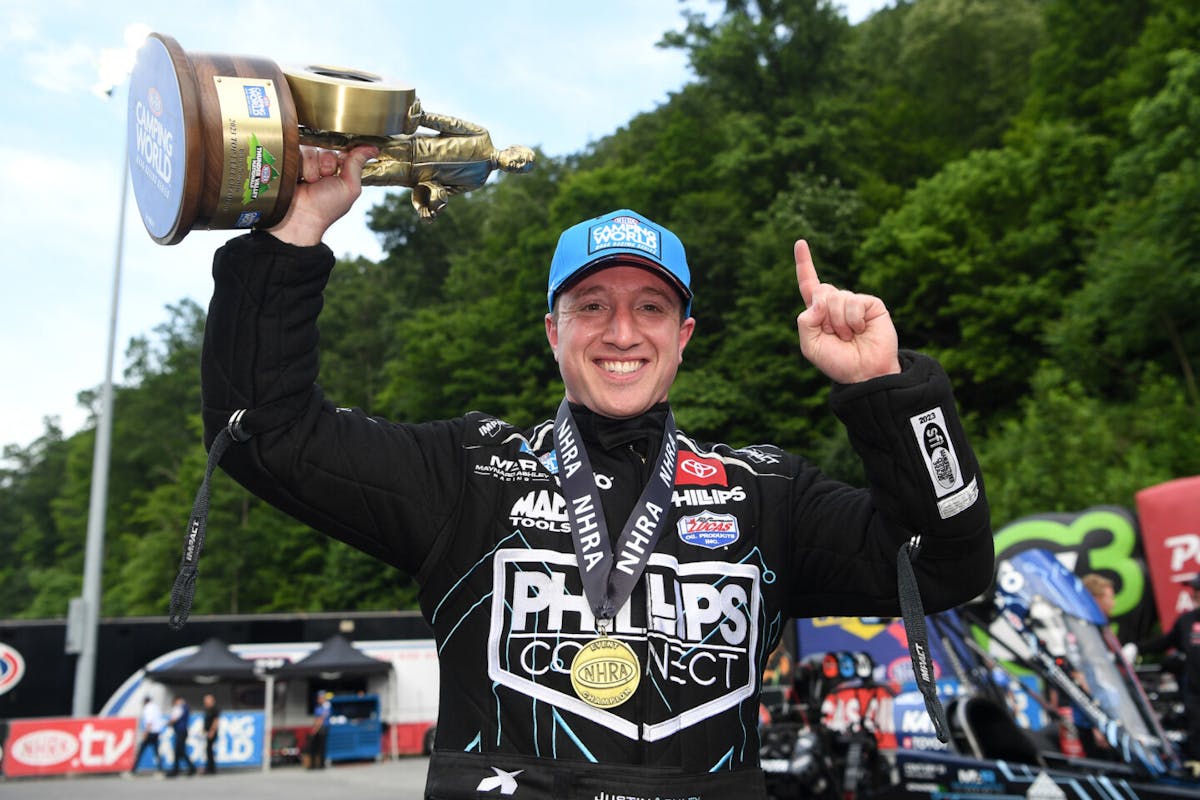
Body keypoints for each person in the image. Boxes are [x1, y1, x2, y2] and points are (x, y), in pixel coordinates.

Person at [196, 144, 993, 799]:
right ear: (553, 331)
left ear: (683, 337)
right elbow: (267, 434)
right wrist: (296, 229)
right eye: (592, 305)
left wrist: (888, 392)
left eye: (650, 307)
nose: (622, 331)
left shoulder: (765, 493)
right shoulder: (469, 475)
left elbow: (946, 562)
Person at [301, 108, 535, 221]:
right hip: (408, 146)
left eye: (521, 168)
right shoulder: (481, 136)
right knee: (349, 139)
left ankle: (299, 177)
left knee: (355, 176)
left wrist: (430, 205)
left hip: (407, 174)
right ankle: (300, 134)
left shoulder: (477, 181)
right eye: (521, 159)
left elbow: (442, 193)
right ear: (513, 149)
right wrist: (420, 117)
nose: (517, 165)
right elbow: (450, 123)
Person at [1139, 575, 1200, 765]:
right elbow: (1164, 642)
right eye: (1194, 591)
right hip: (1195, 694)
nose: (1195, 595)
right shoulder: (1187, 621)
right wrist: (1135, 648)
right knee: (1196, 733)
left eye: (1197, 590)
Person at [131, 695, 166, 774]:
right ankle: (161, 770)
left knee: (140, 751)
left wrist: (146, 733)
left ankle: (133, 770)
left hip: (150, 732)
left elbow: (149, 722)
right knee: (156, 752)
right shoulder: (156, 707)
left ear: (145, 702)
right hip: (156, 732)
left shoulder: (148, 708)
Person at [167, 696, 197, 777]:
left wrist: (169, 723)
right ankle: (176, 770)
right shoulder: (186, 707)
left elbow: (174, 719)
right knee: (178, 752)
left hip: (180, 731)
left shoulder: (180, 708)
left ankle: (191, 768)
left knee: (181, 751)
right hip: (182, 731)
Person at [306, 691, 332, 769]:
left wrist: (314, 730)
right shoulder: (318, 707)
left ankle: (321, 765)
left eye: (321, 698)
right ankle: (313, 764)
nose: (319, 699)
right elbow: (316, 719)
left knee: (321, 747)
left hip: (322, 729)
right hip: (317, 728)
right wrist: (313, 728)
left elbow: (321, 719)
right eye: (319, 698)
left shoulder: (326, 706)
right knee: (314, 746)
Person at [201, 693, 220, 775]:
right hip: (208, 732)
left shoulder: (214, 709)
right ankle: (209, 767)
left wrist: (212, 731)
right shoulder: (207, 709)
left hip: (212, 732)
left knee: (209, 750)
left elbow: (216, 721)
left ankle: (211, 768)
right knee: (208, 750)